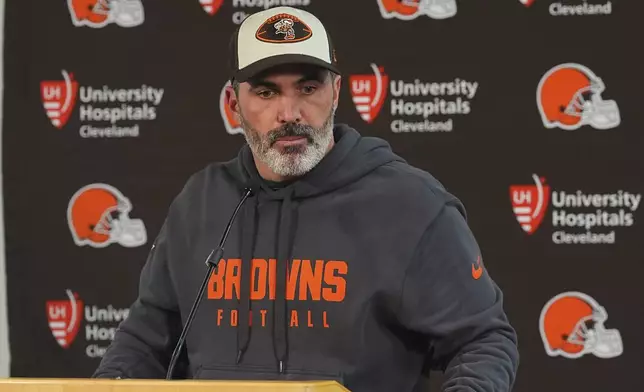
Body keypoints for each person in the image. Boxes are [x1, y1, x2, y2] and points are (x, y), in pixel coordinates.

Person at [93, 6, 519, 391]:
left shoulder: (411, 205)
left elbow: (482, 340)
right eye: (266, 92)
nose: (290, 113)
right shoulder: (200, 203)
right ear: (232, 104)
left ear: (335, 92)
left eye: (307, 88)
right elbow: (144, 342)